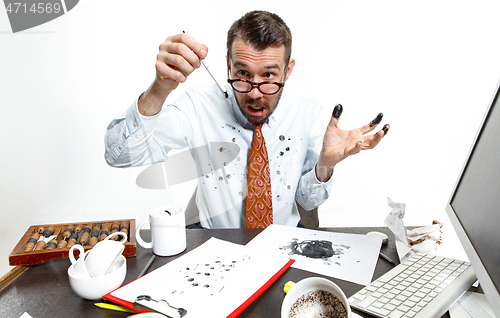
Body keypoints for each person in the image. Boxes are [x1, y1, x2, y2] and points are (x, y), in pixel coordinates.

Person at [104, 10, 389, 229]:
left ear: (287, 71)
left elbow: (307, 200)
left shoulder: (307, 114)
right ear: (228, 65)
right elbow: (119, 156)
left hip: (283, 245)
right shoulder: (198, 107)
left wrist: (324, 165)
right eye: (242, 74)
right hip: (213, 244)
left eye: (268, 76)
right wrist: (159, 88)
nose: (254, 93)